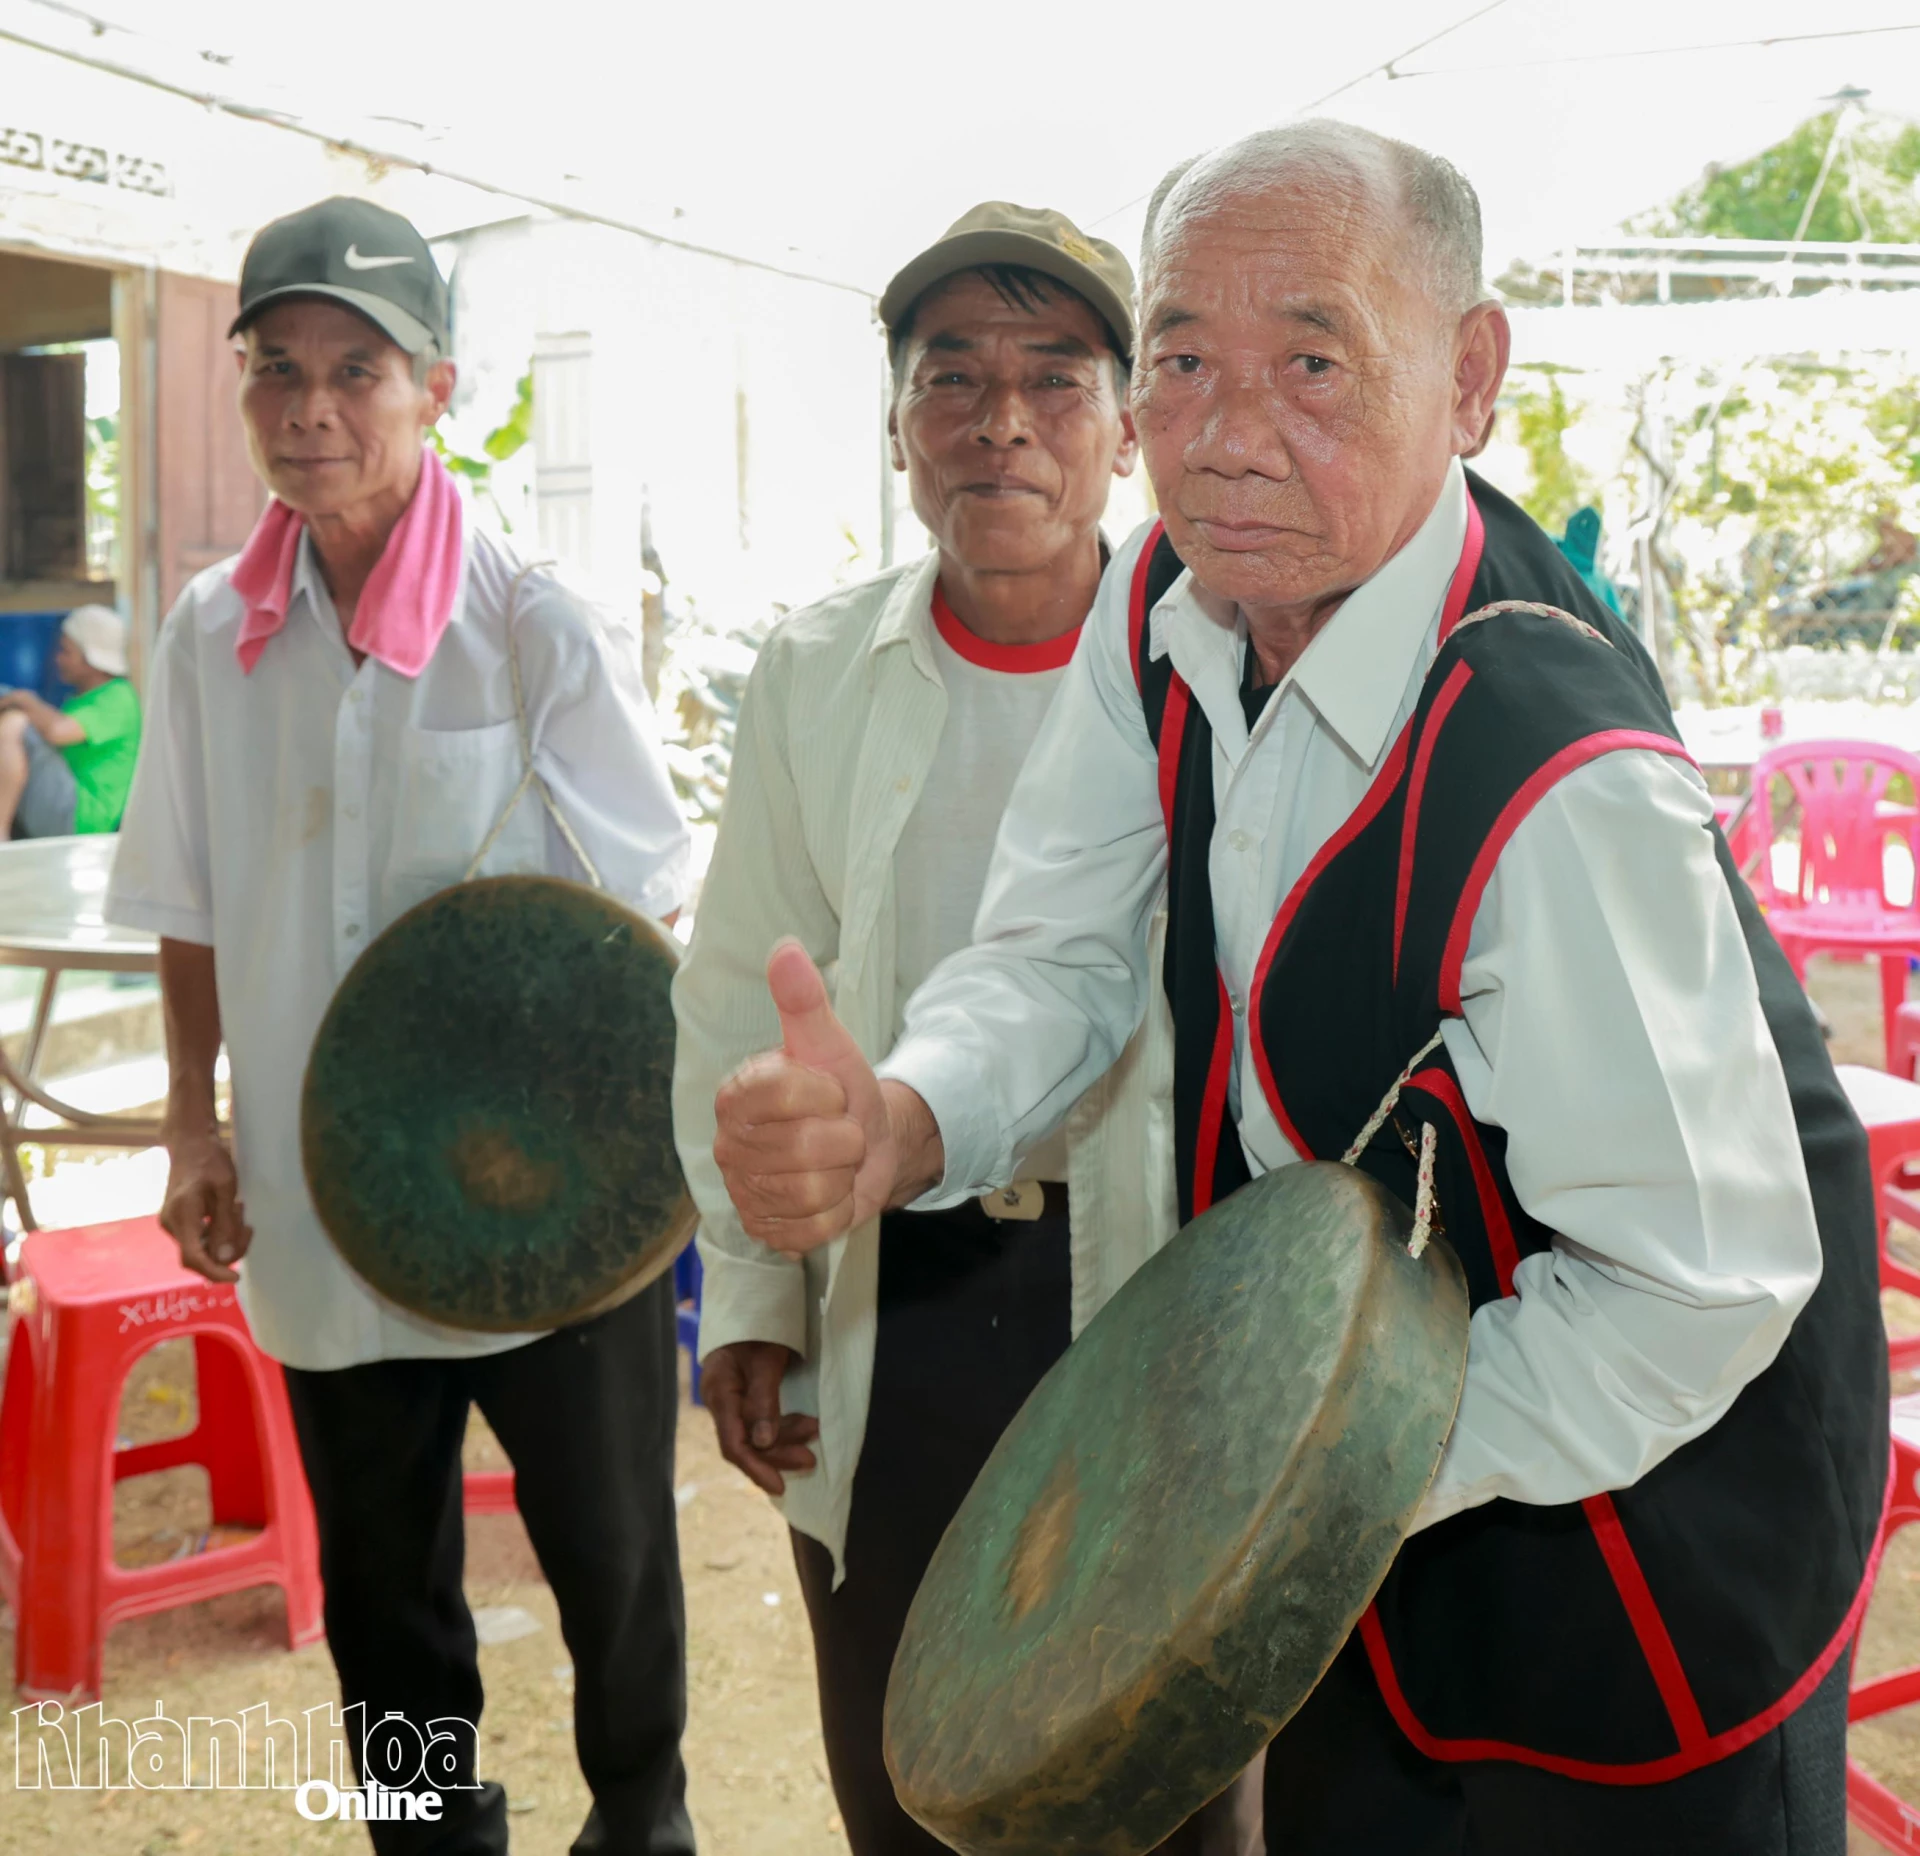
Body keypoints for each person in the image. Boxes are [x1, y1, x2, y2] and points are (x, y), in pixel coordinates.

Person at [708, 123, 1887, 1855]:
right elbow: (1063, 943)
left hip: (1651, 1541)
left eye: (1315, 363)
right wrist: (906, 1115)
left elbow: (1699, 1287)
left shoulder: (1552, 771)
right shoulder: (1163, 604)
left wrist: (1293, 1485)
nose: (1232, 435)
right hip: (1364, 1531)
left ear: (1471, 377)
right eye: (1183, 360)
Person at [106, 196, 695, 1856]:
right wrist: (190, 1120)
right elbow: (192, 894)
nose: (309, 409)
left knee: (616, 1570)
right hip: (328, 1199)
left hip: (553, 1217)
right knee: (386, 1603)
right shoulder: (212, 636)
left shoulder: (531, 629)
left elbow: (642, 916)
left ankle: (641, 1827)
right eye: (274, 370)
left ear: (436, 386)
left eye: (354, 369)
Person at [673, 202, 1257, 1855]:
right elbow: (735, 1001)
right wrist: (757, 1284)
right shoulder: (814, 672)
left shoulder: (1216, 662)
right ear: (896, 427)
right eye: (952, 379)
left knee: (1164, 1767)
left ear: (1129, 429)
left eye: (1056, 379)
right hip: (898, 1286)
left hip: (1156, 1292)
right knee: (915, 1750)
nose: (1000, 421)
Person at [0, 604, 141, 837]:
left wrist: (26, 701)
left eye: (66, 652)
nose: (57, 659)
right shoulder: (81, 699)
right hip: (65, 809)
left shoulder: (118, 697)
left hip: (80, 819)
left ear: (90, 659)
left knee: (16, 724)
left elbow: (57, 731)